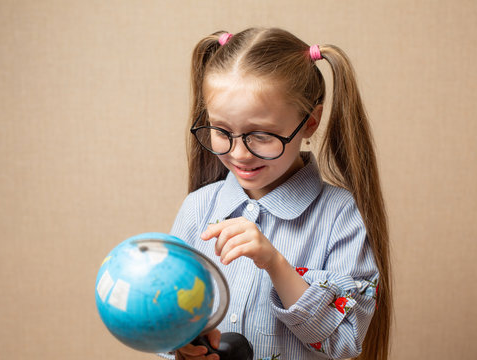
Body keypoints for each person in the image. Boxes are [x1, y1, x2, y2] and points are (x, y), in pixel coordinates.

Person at [166, 27, 391, 360]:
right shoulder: (198, 208)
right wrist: (180, 345)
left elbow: (345, 342)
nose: (240, 154)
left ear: (310, 122)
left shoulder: (340, 217)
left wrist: (275, 263)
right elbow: (166, 315)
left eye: (261, 135)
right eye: (222, 131)